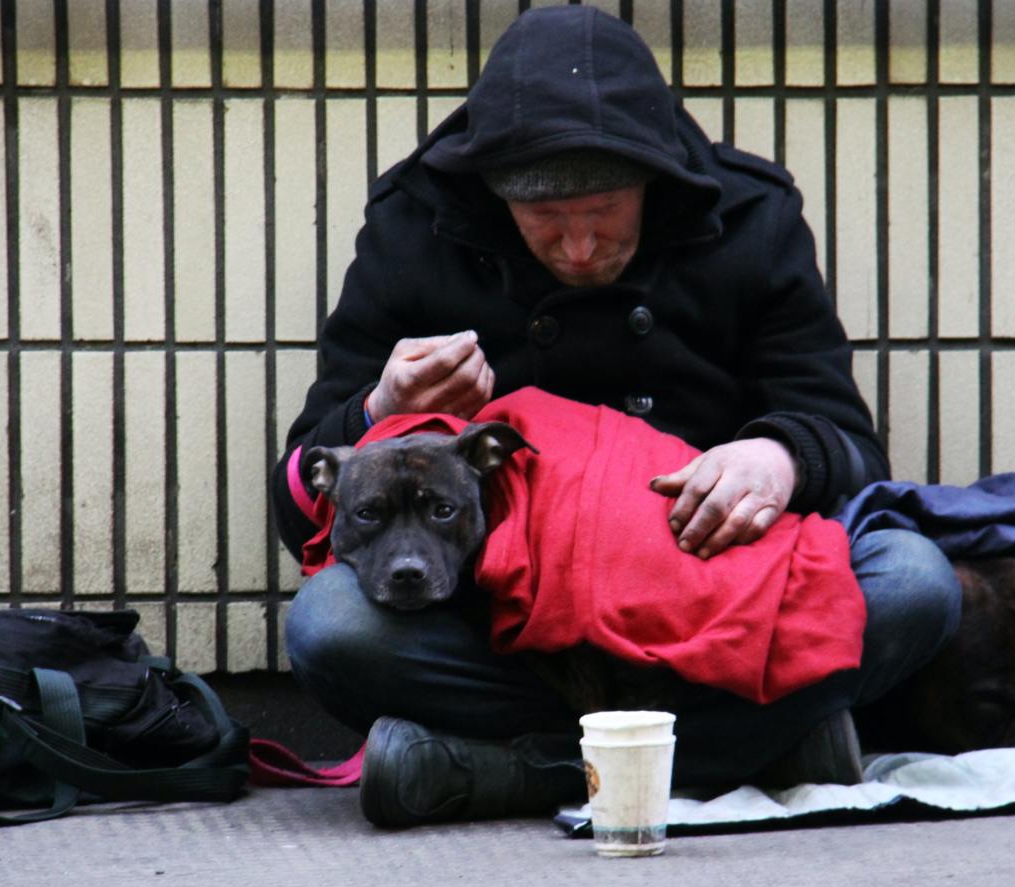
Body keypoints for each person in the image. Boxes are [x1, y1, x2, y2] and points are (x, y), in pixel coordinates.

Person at [271, 6, 961, 827]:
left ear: (653, 181)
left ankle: (505, 773)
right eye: (545, 223)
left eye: (603, 215)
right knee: (329, 627)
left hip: (705, 590)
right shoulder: (416, 224)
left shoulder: (750, 214)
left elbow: (845, 440)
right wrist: (382, 407)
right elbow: (301, 498)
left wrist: (776, 457)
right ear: (495, 197)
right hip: (504, 621)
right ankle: (752, 747)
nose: (579, 251)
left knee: (915, 581)